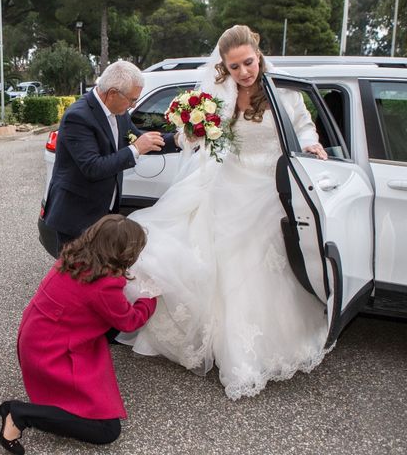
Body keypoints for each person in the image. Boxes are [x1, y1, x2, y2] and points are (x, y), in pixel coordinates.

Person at [117, 25, 330, 400]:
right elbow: (187, 136)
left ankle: (256, 346)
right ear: (225, 67)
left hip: (268, 185)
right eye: (235, 67)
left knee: (259, 258)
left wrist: (312, 145)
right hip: (227, 181)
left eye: (248, 62)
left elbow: (304, 127)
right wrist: (194, 133)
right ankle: (220, 345)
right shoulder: (217, 92)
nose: (244, 72)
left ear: (258, 55)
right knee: (221, 256)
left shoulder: (284, 91)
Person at [0, 214, 157, 454]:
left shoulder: (74, 256)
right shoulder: (105, 284)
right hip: (51, 351)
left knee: (85, 404)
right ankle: (19, 414)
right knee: (108, 431)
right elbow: (130, 321)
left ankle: (27, 412)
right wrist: (150, 298)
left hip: (37, 337)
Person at [42, 60, 180, 256]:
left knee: (98, 276)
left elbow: (140, 140)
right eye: (132, 100)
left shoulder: (120, 112)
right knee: (77, 279)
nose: (133, 105)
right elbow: (93, 167)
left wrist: (177, 140)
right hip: (76, 217)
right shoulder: (78, 117)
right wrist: (134, 149)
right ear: (113, 93)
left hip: (103, 213)